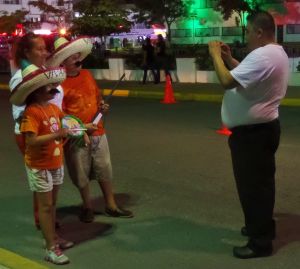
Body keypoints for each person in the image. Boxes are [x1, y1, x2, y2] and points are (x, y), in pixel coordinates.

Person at [208, 10, 289, 259]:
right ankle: (260, 227)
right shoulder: (276, 53)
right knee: (261, 184)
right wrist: (230, 59)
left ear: (259, 32)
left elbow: (226, 81)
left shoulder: (264, 56)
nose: (246, 36)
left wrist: (215, 56)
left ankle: (260, 243)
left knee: (253, 187)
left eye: (247, 31)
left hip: (253, 135)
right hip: (260, 131)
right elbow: (245, 74)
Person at [47, 37, 133, 223]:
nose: (79, 61)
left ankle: (111, 205)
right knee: (81, 173)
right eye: (74, 58)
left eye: (79, 57)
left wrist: (102, 106)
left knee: (104, 169)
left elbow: (97, 97)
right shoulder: (58, 87)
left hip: (98, 131)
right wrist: (80, 129)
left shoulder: (87, 75)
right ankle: (87, 206)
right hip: (76, 137)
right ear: (63, 63)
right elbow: (59, 116)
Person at [9, 60, 70, 265]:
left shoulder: (53, 109)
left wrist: (86, 126)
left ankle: (52, 239)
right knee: (45, 207)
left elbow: (67, 123)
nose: (54, 89)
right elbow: (31, 140)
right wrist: (58, 134)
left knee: (52, 205)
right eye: (49, 87)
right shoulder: (31, 112)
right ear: (36, 91)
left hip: (55, 162)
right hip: (39, 165)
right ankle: (51, 248)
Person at [9, 33, 65, 233]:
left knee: (51, 179)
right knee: (42, 178)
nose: (45, 53)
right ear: (27, 52)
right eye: (39, 49)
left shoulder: (44, 72)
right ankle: (43, 220)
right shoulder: (21, 78)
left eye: (45, 49)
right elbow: (20, 115)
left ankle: (48, 216)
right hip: (34, 134)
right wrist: (43, 119)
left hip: (53, 130)